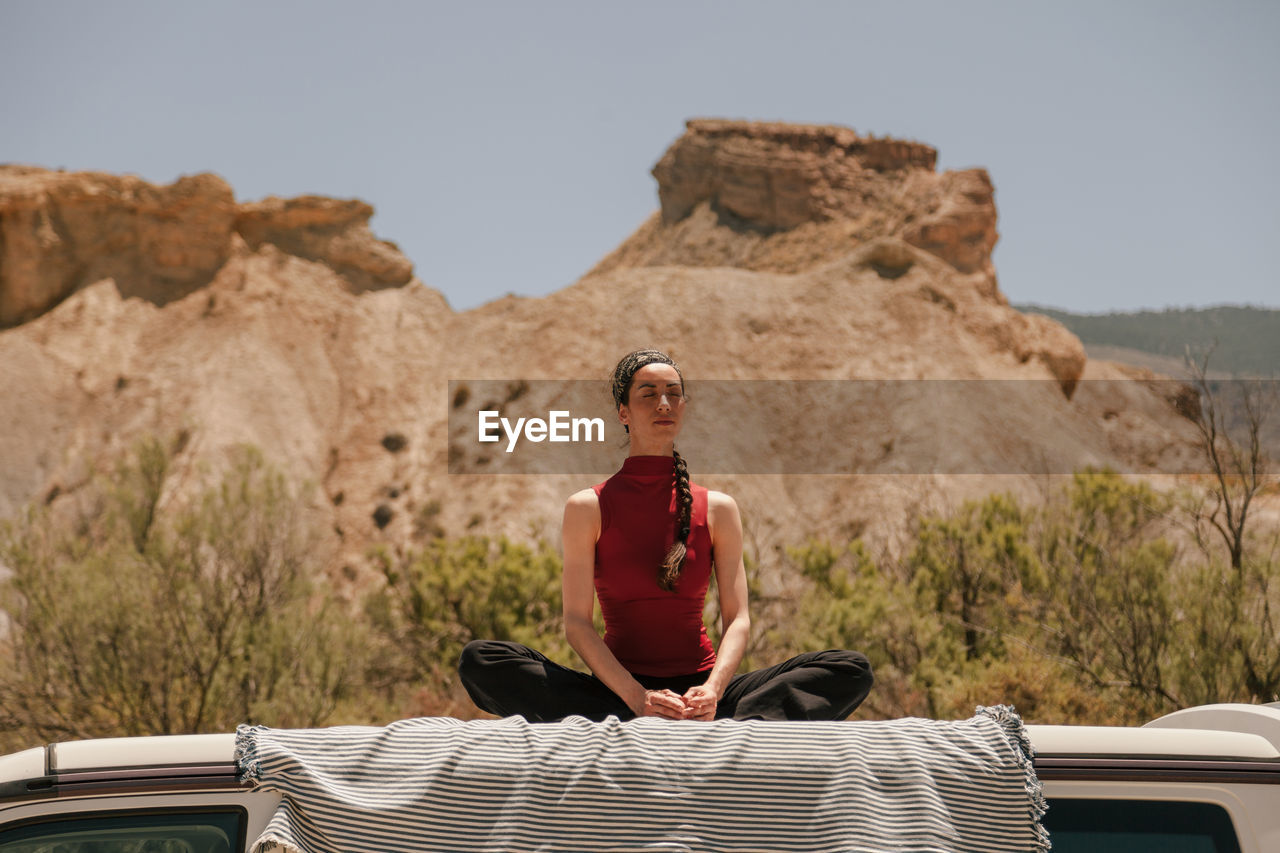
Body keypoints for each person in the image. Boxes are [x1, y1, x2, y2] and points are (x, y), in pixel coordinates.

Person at [458, 349, 873, 722]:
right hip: (620, 692)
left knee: (849, 669)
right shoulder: (588, 507)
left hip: (702, 693)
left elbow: (739, 619)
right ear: (623, 412)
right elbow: (577, 624)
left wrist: (712, 691)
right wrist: (638, 698)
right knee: (482, 660)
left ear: (684, 406)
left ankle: (711, 717)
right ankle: (648, 717)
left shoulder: (719, 508)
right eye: (648, 393)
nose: (663, 404)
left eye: (673, 393)